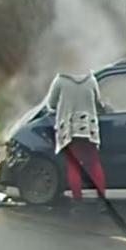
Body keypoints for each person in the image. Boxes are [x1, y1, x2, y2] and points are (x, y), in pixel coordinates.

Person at [46, 71, 106, 202]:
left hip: (69, 129)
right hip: (88, 129)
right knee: (94, 163)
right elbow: (98, 101)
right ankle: (102, 197)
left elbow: (51, 104)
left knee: (73, 165)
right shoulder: (91, 80)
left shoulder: (60, 80)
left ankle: (77, 198)